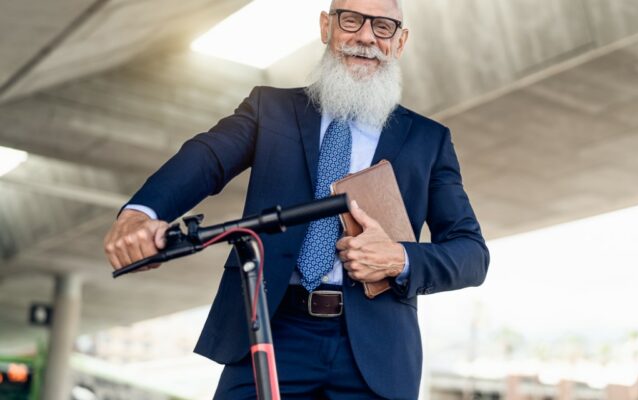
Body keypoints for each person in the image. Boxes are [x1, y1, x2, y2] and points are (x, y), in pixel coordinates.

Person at [103, 0, 489, 398]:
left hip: (376, 353)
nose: (366, 37)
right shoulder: (270, 109)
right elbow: (208, 157)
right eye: (352, 20)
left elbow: (472, 255)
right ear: (326, 27)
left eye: (383, 27)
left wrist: (398, 258)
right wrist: (142, 212)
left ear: (400, 41)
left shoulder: (429, 140)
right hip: (272, 328)